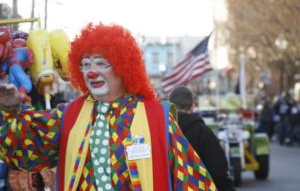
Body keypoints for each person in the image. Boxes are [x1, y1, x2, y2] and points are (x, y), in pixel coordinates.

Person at [0, 23, 216, 190]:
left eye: (101, 63)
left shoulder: (157, 117)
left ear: (123, 67)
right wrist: (11, 110)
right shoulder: (69, 115)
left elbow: (191, 180)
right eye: (85, 64)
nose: (91, 71)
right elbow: (25, 149)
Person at [169, 86, 235, 191]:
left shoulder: (161, 131)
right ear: (192, 106)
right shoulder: (203, 132)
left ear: (170, 105)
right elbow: (218, 171)